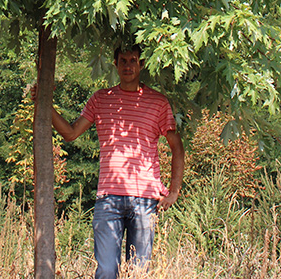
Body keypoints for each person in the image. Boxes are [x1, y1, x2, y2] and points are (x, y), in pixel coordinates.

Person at [36, 44, 183, 278]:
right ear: (115, 64)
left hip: (145, 200)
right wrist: (44, 104)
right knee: (106, 271)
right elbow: (71, 133)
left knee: (139, 272)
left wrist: (173, 191)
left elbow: (177, 147)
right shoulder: (101, 99)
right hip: (108, 199)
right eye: (123, 60)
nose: (128, 66)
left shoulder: (158, 102)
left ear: (141, 64)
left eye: (133, 60)